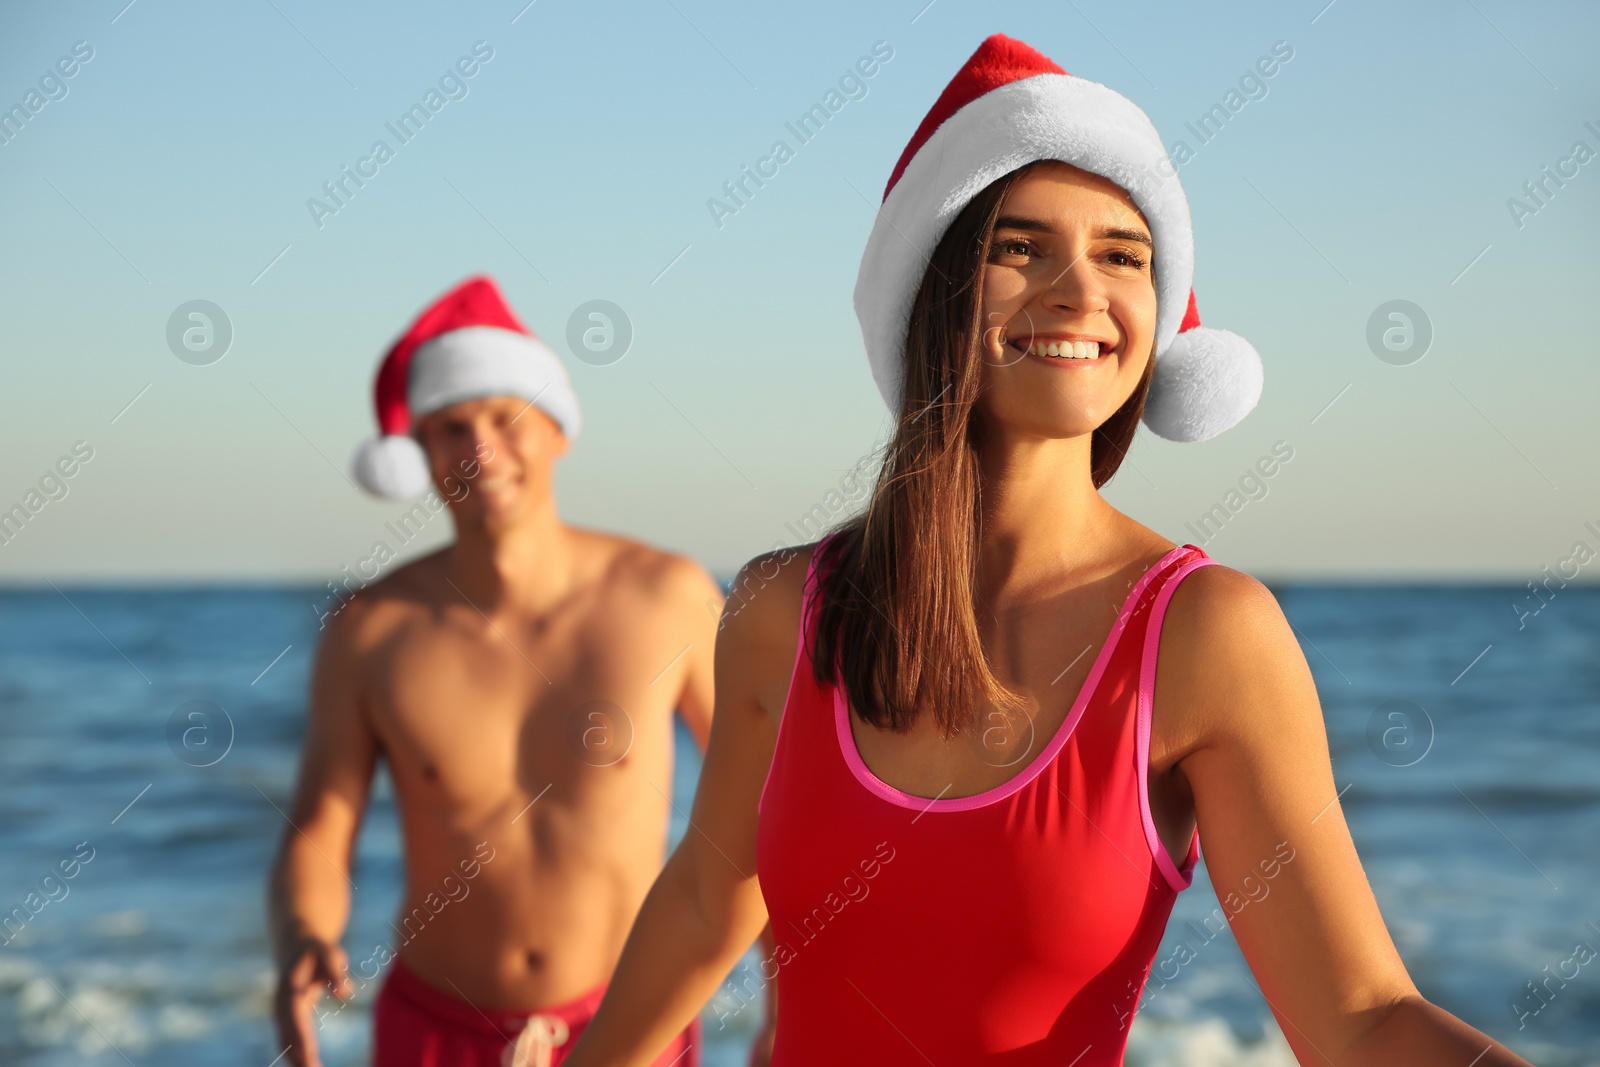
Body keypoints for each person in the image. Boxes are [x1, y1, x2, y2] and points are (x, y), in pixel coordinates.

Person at [560, 35, 1538, 1067]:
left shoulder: (1205, 636)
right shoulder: (780, 605)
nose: (1079, 291)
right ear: (932, 289)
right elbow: (713, 891)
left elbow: (1358, 1019)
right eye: (1018, 246)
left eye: (1123, 254)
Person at [266, 276, 736, 1067]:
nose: (482, 449)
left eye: (506, 419)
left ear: (558, 431)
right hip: (432, 1034)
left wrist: (791, 994)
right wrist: (302, 936)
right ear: (418, 451)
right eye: (451, 427)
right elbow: (321, 827)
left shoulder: (667, 598)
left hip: (629, 1029)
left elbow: (766, 810)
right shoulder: (370, 629)